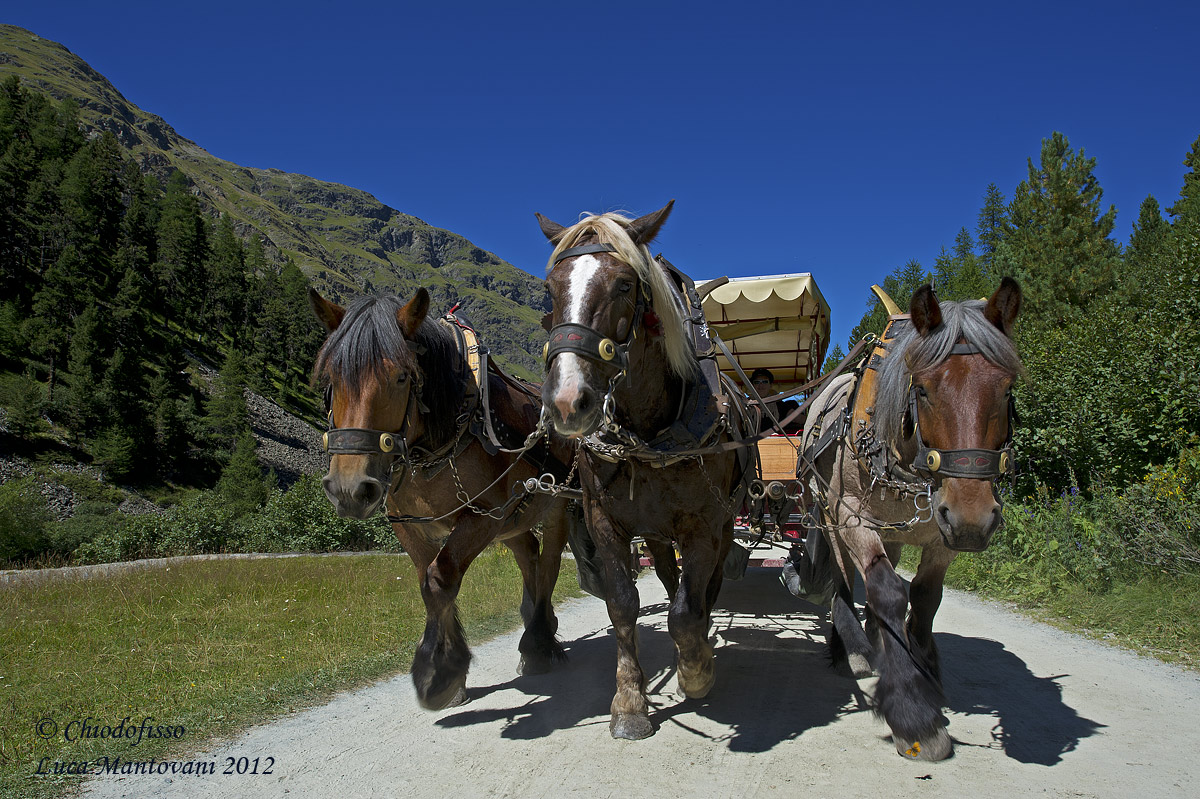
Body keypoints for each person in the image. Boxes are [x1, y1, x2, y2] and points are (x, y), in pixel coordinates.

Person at [749, 368, 799, 433]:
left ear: (771, 385)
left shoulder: (779, 404)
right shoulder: (745, 405)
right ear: (752, 386)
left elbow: (797, 418)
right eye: (757, 382)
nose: (761, 385)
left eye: (765, 382)